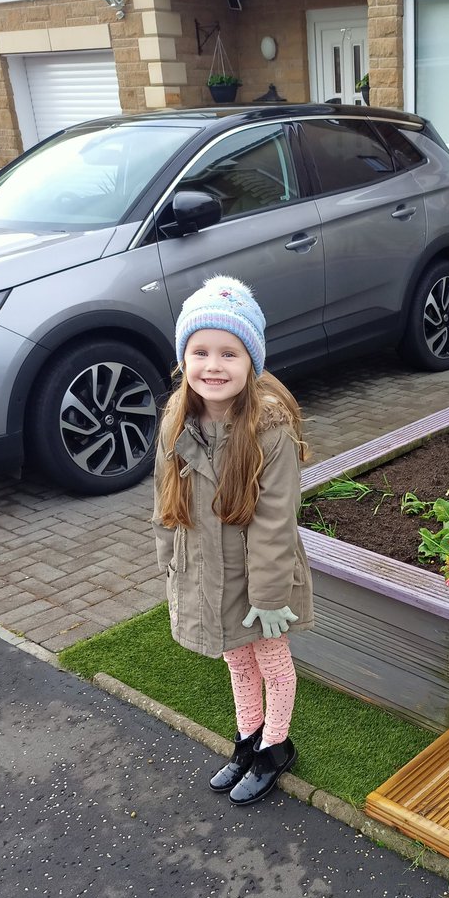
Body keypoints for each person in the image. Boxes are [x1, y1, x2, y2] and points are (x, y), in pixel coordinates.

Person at [153, 276, 314, 805]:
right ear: (184, 360)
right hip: (206, 569)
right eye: (200, 351)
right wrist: (169, 563)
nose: (213, 365)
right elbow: (165, 503)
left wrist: (269, 597)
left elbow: (275, 522)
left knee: (270, 658)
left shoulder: (269, 430)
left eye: (230, 352)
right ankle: (247, 738)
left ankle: (276, 745)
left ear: (252, 362)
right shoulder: (178, 421)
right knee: (235, 658)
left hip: (258, 577)